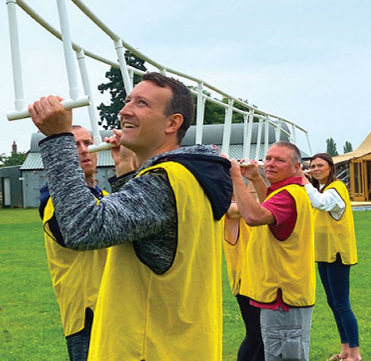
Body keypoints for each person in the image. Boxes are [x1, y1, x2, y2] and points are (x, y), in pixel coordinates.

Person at [29, 73, 232, 360]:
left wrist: (58, 139)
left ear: (172, 123)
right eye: (127, 101)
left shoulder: (164, 180)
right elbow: (148, 236)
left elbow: (82, 228)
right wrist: (127, 171)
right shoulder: (190, 176)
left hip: (147, 348)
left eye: (142, 103)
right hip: (181, 345)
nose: (124, 111)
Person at [230, 142, 315, 361]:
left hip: (282, 298)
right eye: (268, 158)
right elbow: (267, 207)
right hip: (285, 294)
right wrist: (256, 179)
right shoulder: (287, 192)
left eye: (280, 160)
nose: (270, 164)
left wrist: (236, 179)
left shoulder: (287, 195)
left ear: (296, 167)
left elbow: (255, 216)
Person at [38, 125, 107, 361]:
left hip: (116, 307)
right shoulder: (54, 204)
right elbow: (84, 233)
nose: (83, 150)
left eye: (88, 143)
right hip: (85, 315)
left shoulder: (105, 197)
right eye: (74, 145)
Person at [304, 153, 361, 361]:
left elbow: (322, 204)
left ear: (330, 168)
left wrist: (304, 182)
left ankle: (355, 353)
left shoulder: (336, 189)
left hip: (337, 253)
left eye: (320, 165)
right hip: (323, 253)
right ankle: (345, 349)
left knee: (342, 303)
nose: (315, 169)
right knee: (332, 302)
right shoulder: (320, 189)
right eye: (312, 166)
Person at [224, 176, 265, 361]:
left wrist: (255, 178)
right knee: (256, 334)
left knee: (262, 335)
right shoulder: (228, 207)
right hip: (244, 280)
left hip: (256, 278)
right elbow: (252, 209)